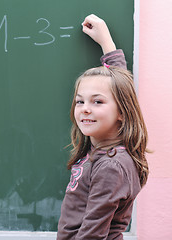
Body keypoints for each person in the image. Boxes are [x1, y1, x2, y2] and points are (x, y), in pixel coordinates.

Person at [57, 14, 149, 239]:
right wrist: (107, 44)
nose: (85, 108)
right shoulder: (109, 151)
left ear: (121, 112)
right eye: (80, 101)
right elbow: (119, 87)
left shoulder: (110, 166)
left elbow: (92, 235)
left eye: (97, 101)